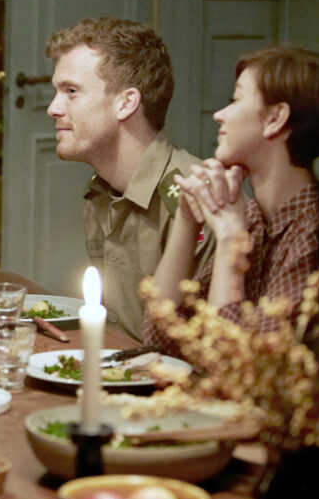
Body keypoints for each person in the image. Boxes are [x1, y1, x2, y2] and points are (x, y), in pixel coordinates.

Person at [144, 46, 319, 352]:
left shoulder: (315, 233)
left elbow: (238, 368)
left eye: (236, 100)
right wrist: (187, 221)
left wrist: (231, 238)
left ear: (275, 118)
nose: (220, 115)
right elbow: (161, 337)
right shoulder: (256, 218)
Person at [45, 17, 213, 340]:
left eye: (71, 91)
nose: (53, 108)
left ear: (127, 102)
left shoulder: (192, 197)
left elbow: (206, 348)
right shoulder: (101, 191)